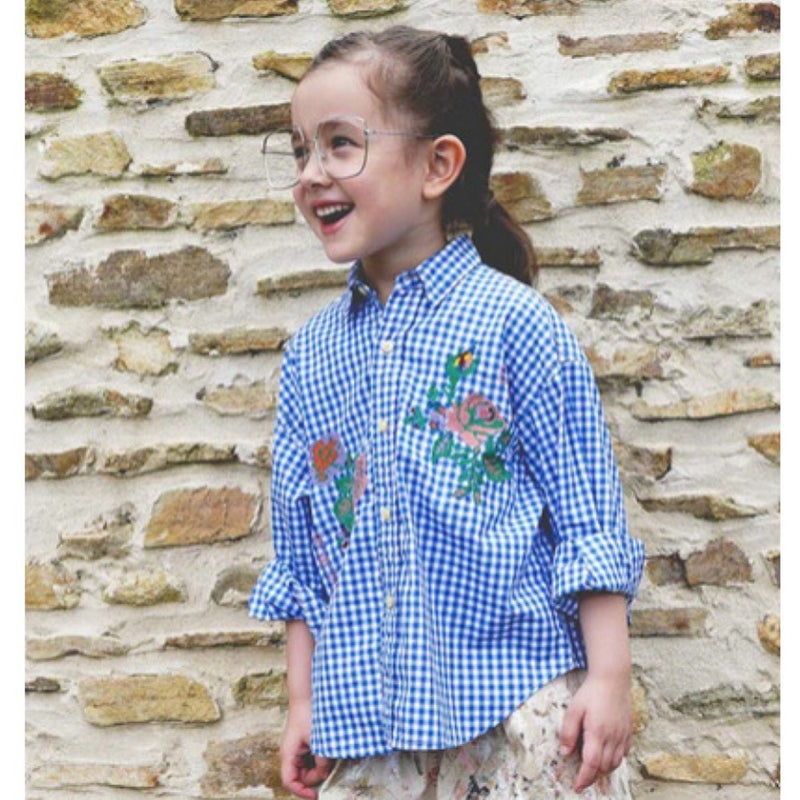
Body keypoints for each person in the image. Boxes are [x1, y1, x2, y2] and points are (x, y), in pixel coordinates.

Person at [249, 25, 645, 800]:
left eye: (340, 144)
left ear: (438, 165)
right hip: (373, 734)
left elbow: (586, 513)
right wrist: (303, 701)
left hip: (522, 713)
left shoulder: (513, 323)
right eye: (300, 151)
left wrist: (610, 678)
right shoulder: (311, 357)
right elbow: (302, 551)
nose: (312, 173)